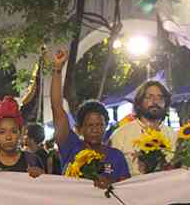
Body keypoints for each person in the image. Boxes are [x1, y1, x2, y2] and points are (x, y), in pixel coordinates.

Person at [48, 53, 130, 181]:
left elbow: (125, 188)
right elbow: (57, 108)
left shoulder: (116, 156)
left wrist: (109, 183)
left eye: (99, 125)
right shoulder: (70, 146)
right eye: (89, 125)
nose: (95, 129)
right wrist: (57, 68)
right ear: (79, 129)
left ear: (106, 126)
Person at [106, 66, 177, 175]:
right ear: (139, 102)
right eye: (149, 97)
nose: (155, 101)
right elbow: (109, 170)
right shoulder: (120, 135)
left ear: (165, 103)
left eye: (160, 97)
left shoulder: (173, 136)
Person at [0, 97, 44, 177]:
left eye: (14, 131)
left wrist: (41, 176)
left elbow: (46, 187)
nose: (8, 137)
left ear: (20, 134)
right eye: (2, 132)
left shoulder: (33, 160)